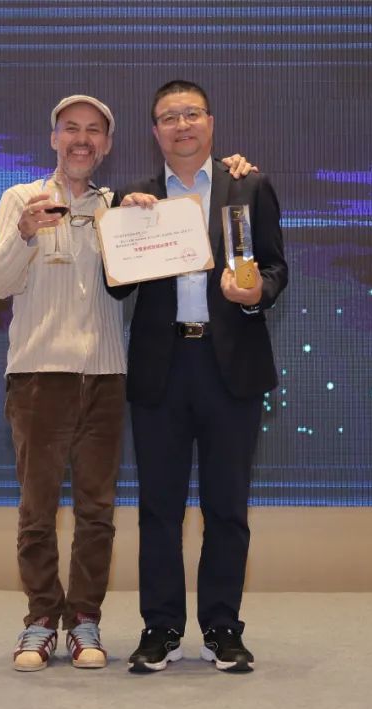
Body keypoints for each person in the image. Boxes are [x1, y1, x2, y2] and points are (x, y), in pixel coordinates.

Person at [0, 94, 255, 672]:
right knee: (36, 512)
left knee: (97, 514)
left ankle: (85, 619)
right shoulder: (20, 199)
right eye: (70, 129)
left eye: (93, 131)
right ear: (54, 138)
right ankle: (39, 620)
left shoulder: (121, 207)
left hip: (107, 376)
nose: (81, 139)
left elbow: (164, 245)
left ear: (107, 145)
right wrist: (24, 233)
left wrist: (232, 168)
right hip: (37, 376)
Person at [107, 80, 288, 674]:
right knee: (158, 508)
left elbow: (275, 267)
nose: (181, 125)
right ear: (154, 130)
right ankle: (160, 628)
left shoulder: (248, 185)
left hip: (230, 365)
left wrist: (258, 293)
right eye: (169, 117)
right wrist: (125, 227)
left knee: (226, 506)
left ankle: (222, 627)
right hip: (161, 367)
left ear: (210, 122)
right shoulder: (134, 197)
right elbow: (116, 286)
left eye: (191, 114)